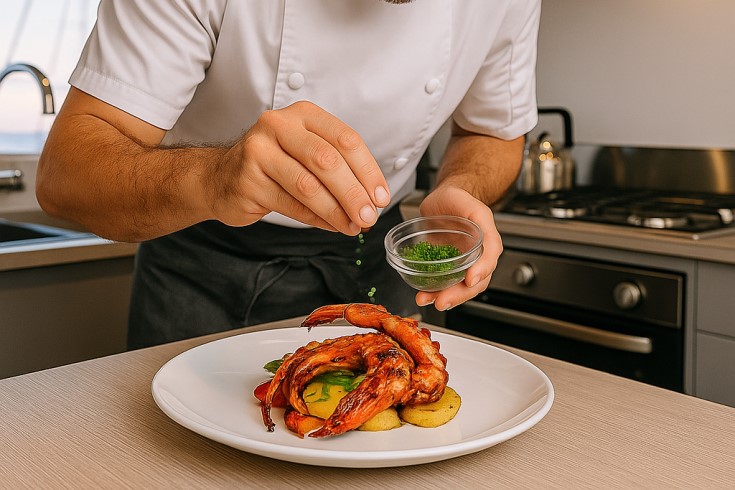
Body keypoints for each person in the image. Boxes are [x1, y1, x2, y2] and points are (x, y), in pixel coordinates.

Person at [36, 0, 541, 349]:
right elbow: (66, 175)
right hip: (203, 269)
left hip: (379, 270)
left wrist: (460, 188)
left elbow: (492, 133)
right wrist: (213, 177)